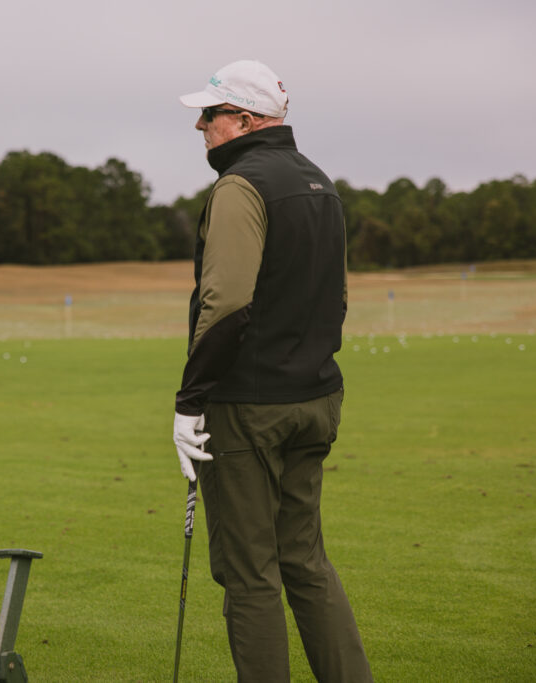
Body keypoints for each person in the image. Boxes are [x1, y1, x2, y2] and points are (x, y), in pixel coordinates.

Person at [171, 61, 373, 682]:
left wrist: (190, 400)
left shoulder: (240, 186)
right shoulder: (320, 183)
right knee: (305, 562)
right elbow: (337, 299)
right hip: (316, 398)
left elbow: (227, 303)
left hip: (248, 408)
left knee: (249, 574)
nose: (201, 126)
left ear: (244, 120)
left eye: (211, 114)